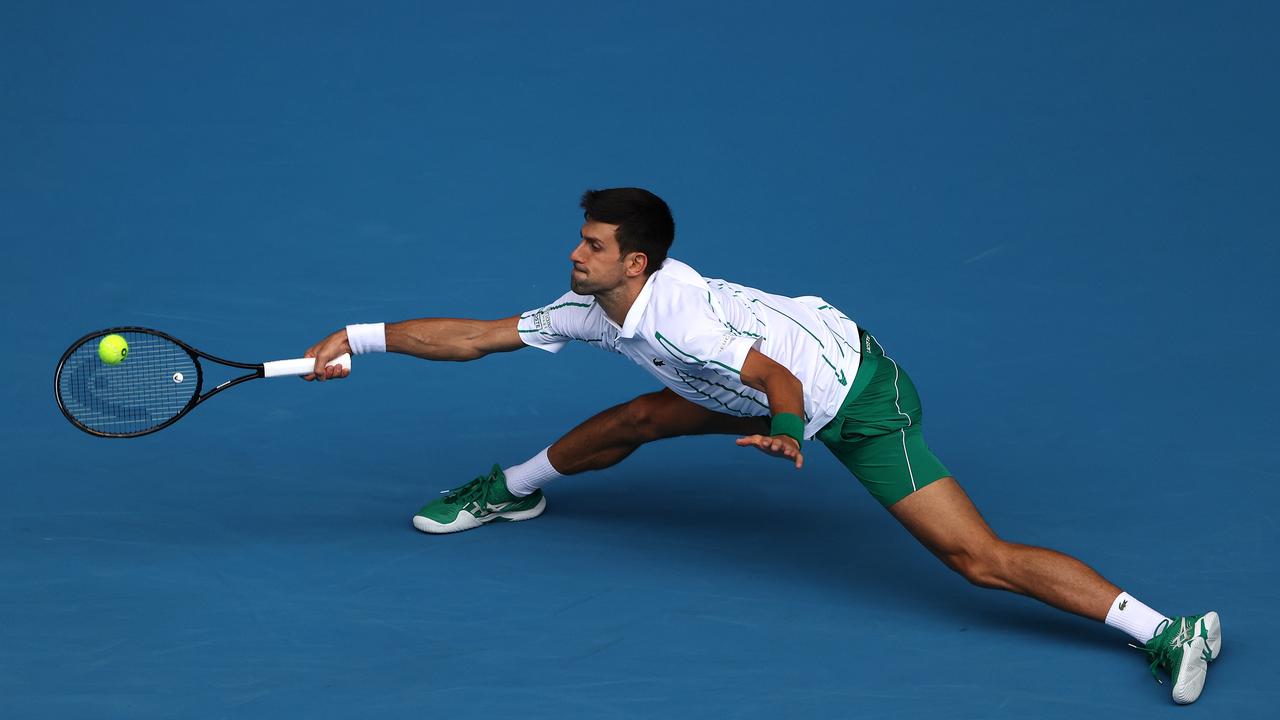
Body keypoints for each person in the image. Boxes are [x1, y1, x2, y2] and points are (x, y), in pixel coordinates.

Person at [303, 188, 1221, 704]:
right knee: (639, 418)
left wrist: (785, 433)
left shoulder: (686, 322)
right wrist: (361, 335)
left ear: (638, 264)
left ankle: (1166, 630)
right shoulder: (590, 310)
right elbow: (476, 336)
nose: (574, 253)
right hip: (751, 382)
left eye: (591, 245)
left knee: (975, 560)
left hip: (848, 396)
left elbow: (775, 382)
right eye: (577, 239)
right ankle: (516, 488)